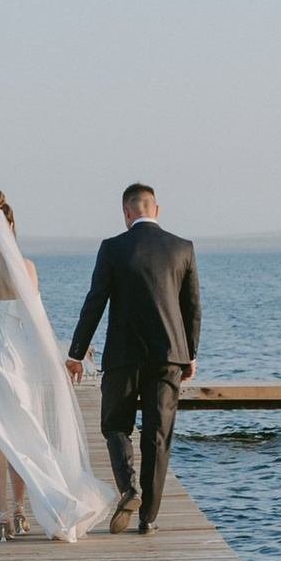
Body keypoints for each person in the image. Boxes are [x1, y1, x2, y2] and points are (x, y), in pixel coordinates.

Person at [0, 193, 113, 543]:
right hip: (18, 359)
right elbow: (37, 321)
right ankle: (21, 509)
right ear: (10, 226)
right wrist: (56, 361)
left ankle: (1, 517)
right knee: (23, 432)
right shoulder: (25, 267)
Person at [67, 184, 200, 532]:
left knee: (115, 425)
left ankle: (129, 489)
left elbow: (95, 301)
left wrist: (76, 353)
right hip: (169, 355)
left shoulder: (112, 248)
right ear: (157, 210)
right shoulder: (182, 248)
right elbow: (191, 307)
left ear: (126, 212)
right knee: (158, 434)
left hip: (123, 355)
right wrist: (190, 355)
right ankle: (148, 519)